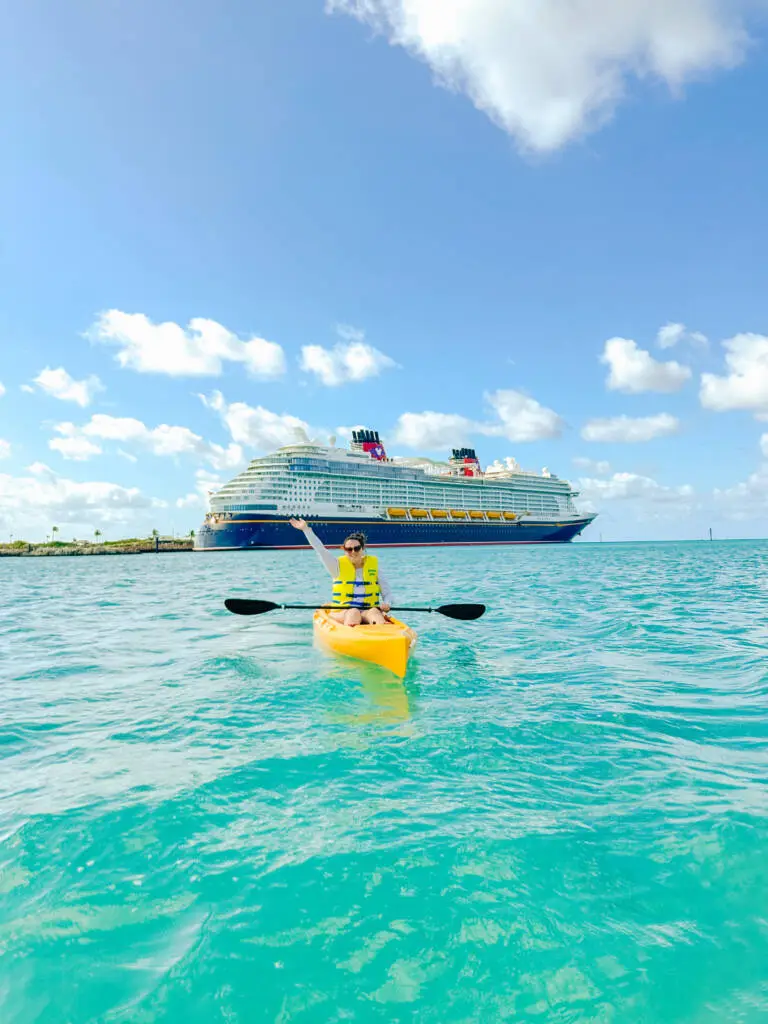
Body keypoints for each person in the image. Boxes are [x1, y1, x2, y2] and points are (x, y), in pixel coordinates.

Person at [289, 518, 392, 626]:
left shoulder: (374, 566)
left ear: (362, 548)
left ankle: (382, 633)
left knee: (375, 612)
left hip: (367, 610)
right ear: (344, 550)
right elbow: (320, 549)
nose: (353, 552)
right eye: (349, 549)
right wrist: (306, 529)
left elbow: (387, 592)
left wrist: (387, 603)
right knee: (353, 612)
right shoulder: (336, 566)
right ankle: (352, 635)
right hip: (342, 612)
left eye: (356, 548)